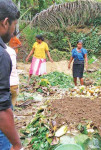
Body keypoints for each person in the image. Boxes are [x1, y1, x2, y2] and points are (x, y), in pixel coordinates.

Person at [0, 0, 23, 150]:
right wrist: (16, 144)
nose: (13, 30)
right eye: (14, 25)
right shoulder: (2, 55)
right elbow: (2, 109)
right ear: (6, 23)